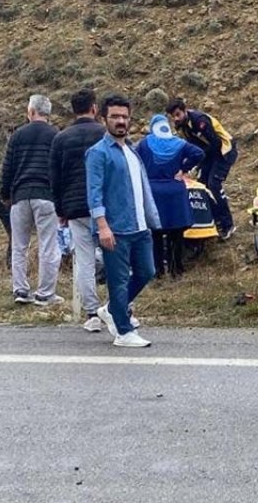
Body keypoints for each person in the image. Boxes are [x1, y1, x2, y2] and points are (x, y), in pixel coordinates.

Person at [86, 94, 160, 348]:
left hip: (140, 226)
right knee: (117, 281)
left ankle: (110, 310)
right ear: (103, 118)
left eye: (124, 117)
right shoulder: (97, 153)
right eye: (115, 117)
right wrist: (102, 226)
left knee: (147, 271)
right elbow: (93, 192)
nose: (120, 121)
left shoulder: (132, 150)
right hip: (115, 228)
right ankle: (123, 331)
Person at [50, 89, 106, 331]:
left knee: (84, 262)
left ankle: (92, 313)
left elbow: (55, 177)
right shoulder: (105, 134)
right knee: (115, 259)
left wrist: (60, 209)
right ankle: (117, 308)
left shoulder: (61, 138)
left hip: (74, 208)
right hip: (103, 207)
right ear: (94, 108)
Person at [0, 94, 62, 306]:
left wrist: (5, 194)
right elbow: (60, 169)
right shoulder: (56, 135)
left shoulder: (18, 135)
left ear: (31, 111)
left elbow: (7, 167)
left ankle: (20, 289)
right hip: (46, 195)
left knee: (19, 245)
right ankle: (45, 293)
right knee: (48, 245)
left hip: (20, 195)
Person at [137, 113, 204, 278]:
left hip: (153, 192)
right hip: (175, 192)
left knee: (155, 234)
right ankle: (176, 270)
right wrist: (184, 169)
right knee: (176, 234)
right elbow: (199, 153)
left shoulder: (145, 144)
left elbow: (133, 157)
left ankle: (158, 271)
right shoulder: (179, 143)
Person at [166, 99, 238, 241]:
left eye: (178, 114)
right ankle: (215, 219)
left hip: (224, 151)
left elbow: (216, 143)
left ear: (184, 110)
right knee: (201, 186)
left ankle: (228, 224)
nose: (176, 118)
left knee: (214, 184)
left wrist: (197, 160)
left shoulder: (200, 121)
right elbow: (191, 146)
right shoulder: (183, 126)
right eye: (173, 116)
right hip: (208, 154)